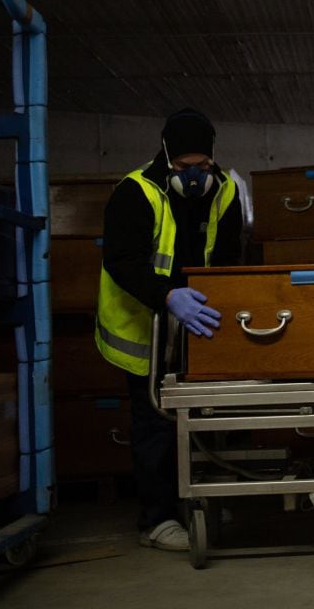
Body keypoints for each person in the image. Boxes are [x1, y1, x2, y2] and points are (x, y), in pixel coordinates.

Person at [94, 108, 243, 551]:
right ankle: (156, 520)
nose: (194, 177)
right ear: (166, 158)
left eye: (201, 167)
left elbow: (232, 259)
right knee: (156, 421)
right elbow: (121, 261)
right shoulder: (134, 192)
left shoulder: (226, 191)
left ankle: (204, 498)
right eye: (183, 168)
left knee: (205, 416)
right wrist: (167, 296)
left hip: (200, 323)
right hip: (145, 326)